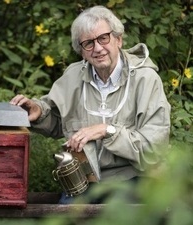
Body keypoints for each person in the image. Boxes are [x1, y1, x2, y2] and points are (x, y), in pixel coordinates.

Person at [10, 5, 171, 204]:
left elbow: (154, 148)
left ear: (118, 39)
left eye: (103, 38)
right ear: (82, 52)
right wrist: (37, 111)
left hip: (134, 179)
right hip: (84, 181)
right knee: (67, 217)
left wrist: (107, 130)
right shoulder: (73, 76)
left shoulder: (145, 79)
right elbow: (59, 120)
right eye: (88, 43)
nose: (97, 48)